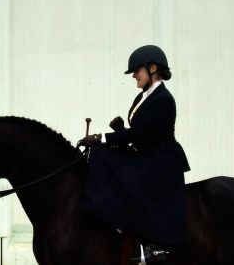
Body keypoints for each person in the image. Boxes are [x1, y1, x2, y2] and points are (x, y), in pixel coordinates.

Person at [78, 45, 190, 263]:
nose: (134, 76)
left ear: (153, 68)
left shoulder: (164, 99)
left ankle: (156, 247)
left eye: (137, 71)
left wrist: (103, 136)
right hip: (146, 155)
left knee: (104, 151)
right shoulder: (143, 97)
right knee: (101, 153)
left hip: (162, 162)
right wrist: (120, 130)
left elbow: (142, 133)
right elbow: (142, 133)